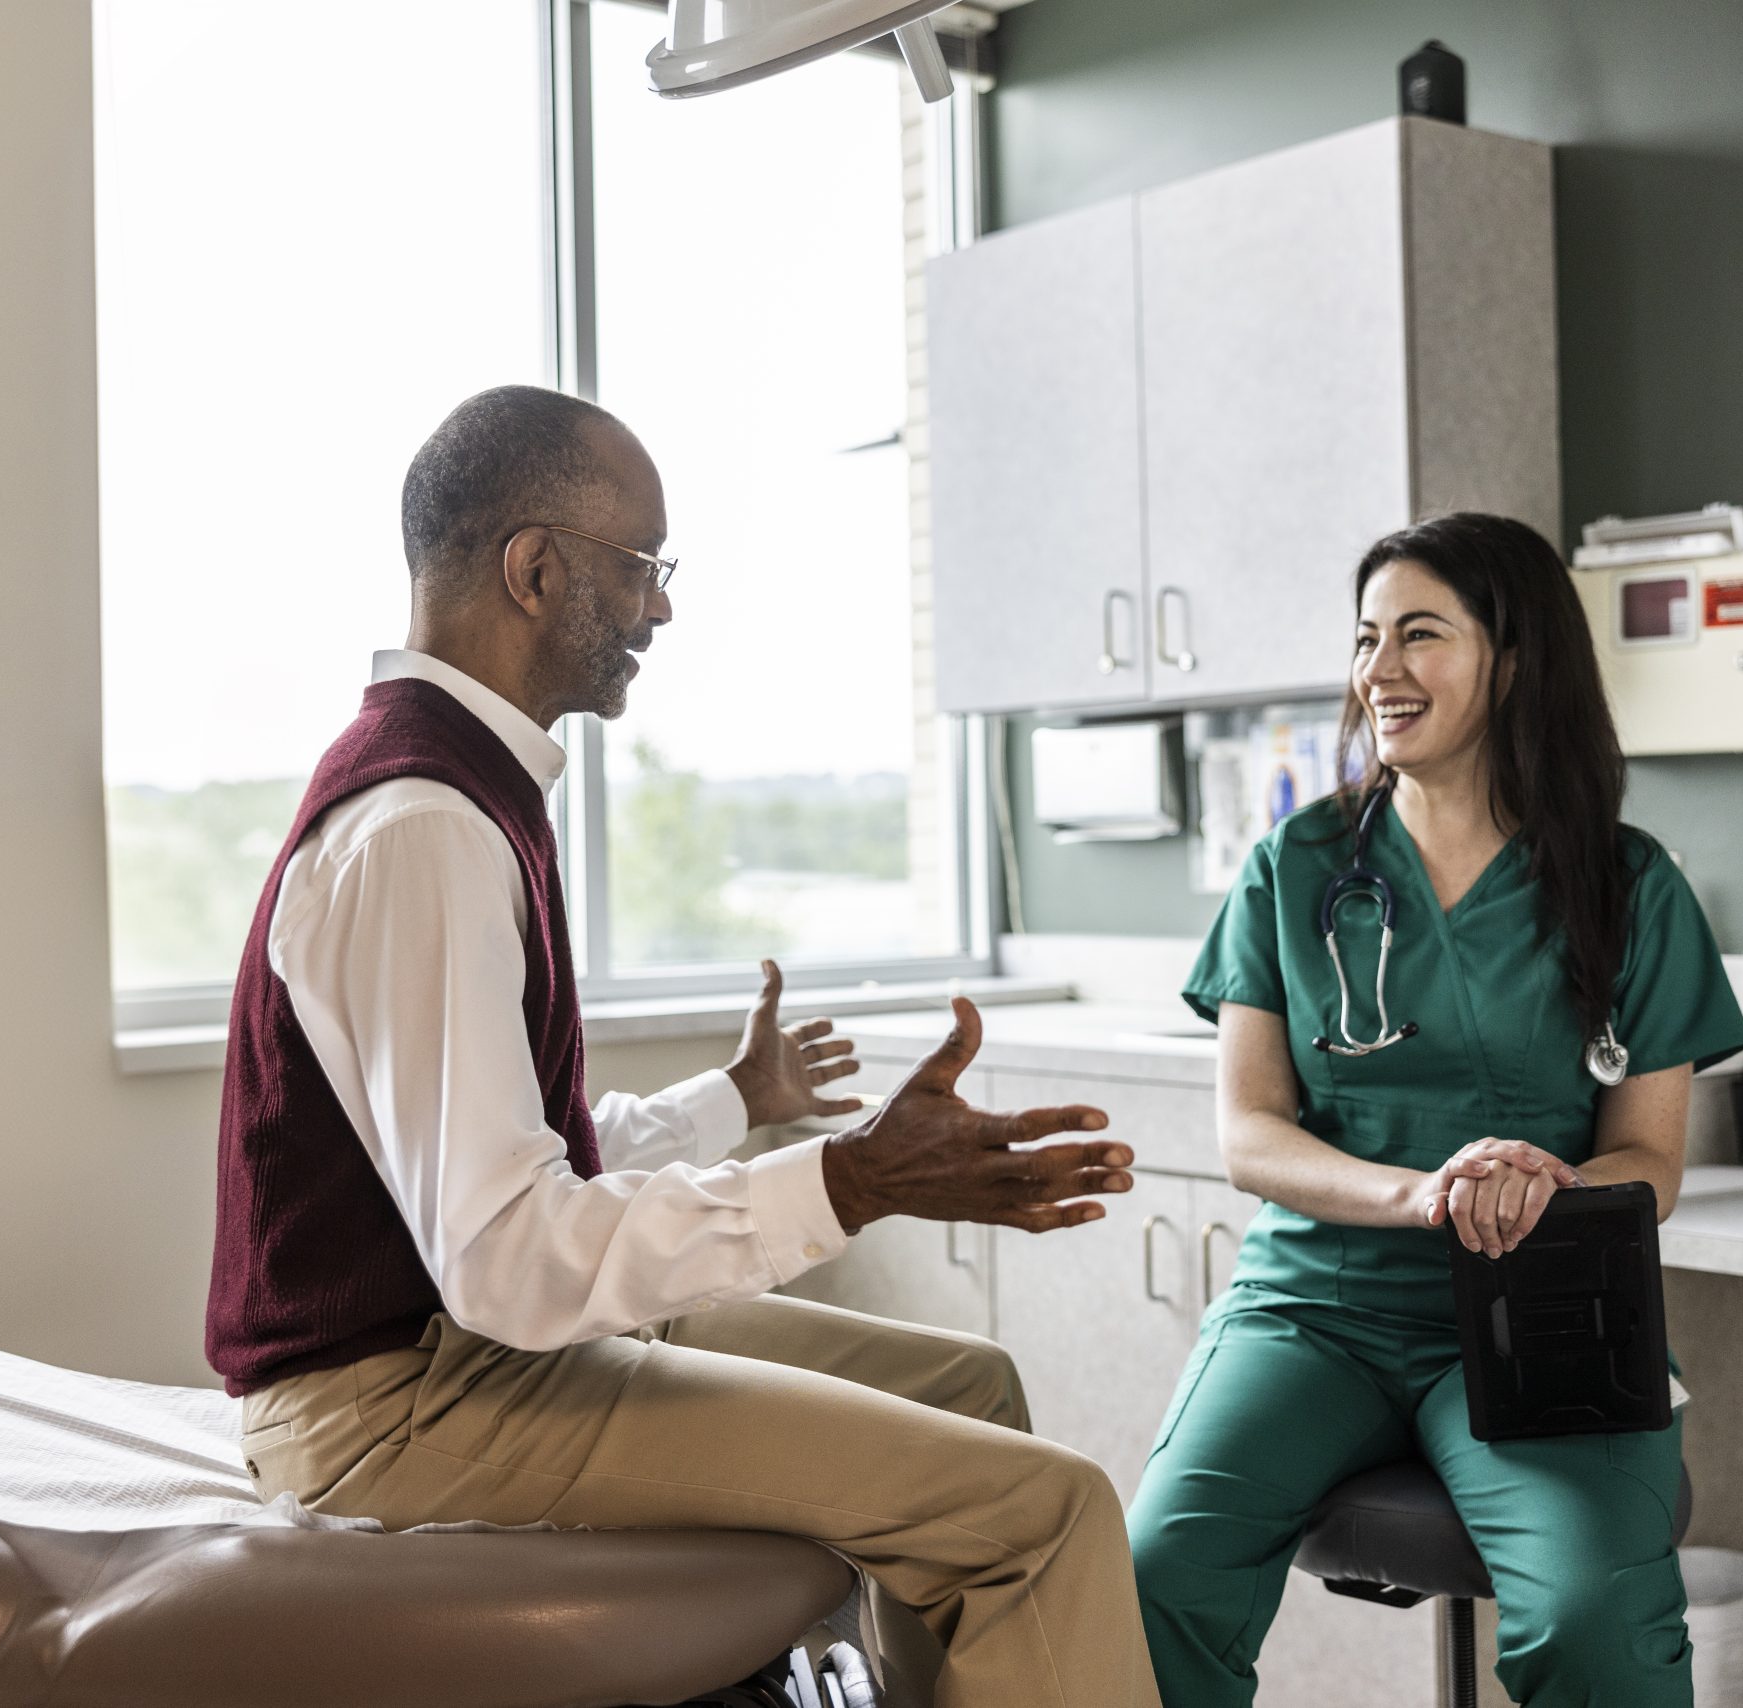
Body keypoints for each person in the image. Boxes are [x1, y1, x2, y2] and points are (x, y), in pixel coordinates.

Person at [205, 384, 1163, 1708]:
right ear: (535, 570)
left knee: (973, 1387)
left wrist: (738, 1100)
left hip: (458, 1350)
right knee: (1046, 1514)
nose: (660, 607)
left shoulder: (461, 789)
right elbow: (504, 1258)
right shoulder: (427, 826)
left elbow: (510, 1165)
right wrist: (851, 1179)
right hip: (393, 1408)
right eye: (640, 564)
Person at [1130, 513, 1743, 1707]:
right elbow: (1249, 1134)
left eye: (1419, 633)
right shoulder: (1295, 866)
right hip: (1315, 1305)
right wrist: (1418, 1194)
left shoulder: (1627, 885)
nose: (1379, 669)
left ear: (1513, 658)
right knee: (1156, 1573)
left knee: (1592, 1620)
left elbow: (1649, 1158)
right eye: (1366, 638)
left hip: (1540, 1301)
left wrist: (1547, 1187)